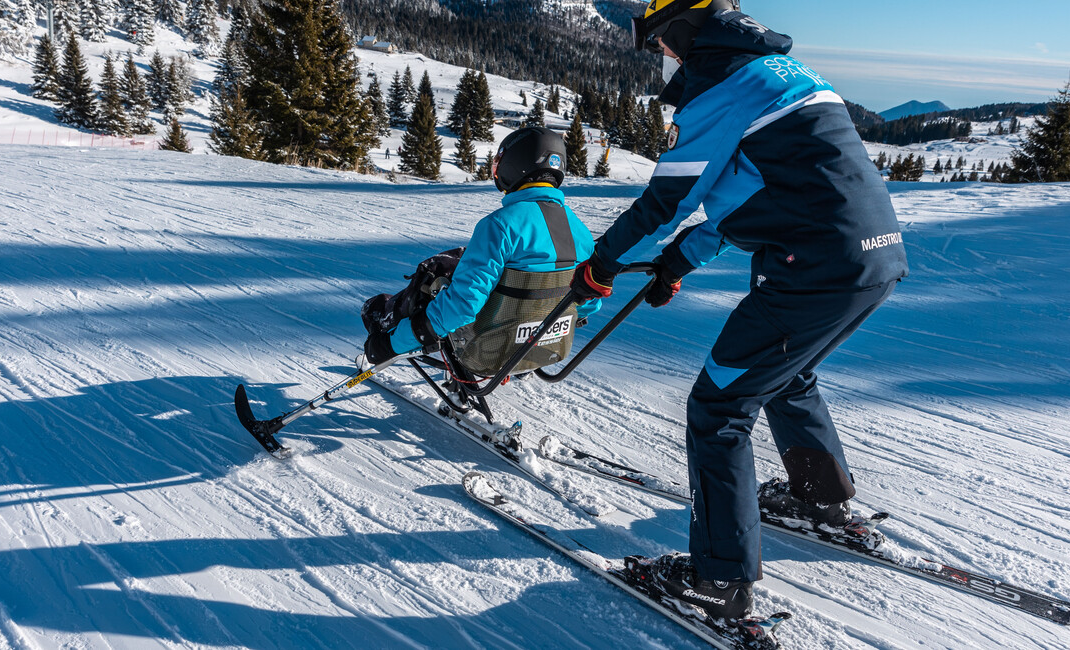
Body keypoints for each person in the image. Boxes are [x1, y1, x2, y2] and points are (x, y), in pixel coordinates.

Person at [569, 0, 909, 623]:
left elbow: (667, 198)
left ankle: (717, 583)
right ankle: (819, 501)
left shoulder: (722, 85)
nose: (663, 56)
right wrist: (678, 262)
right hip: (872, 260)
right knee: (786, 373)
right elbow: (749, 191)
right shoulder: (784, 74)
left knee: (719, 407)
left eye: (659, 42)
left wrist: (602, 261)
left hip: (811, 269)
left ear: (681, 30)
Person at [363, 127, 600, 365]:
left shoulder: (500, 225)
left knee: (436, 282)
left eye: (499, 163)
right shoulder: (580, 231)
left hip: (487, 352)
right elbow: (590, 300)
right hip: (549, 346)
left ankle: (386, 321)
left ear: (514, 164)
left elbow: (463, 305)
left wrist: (391, 345)